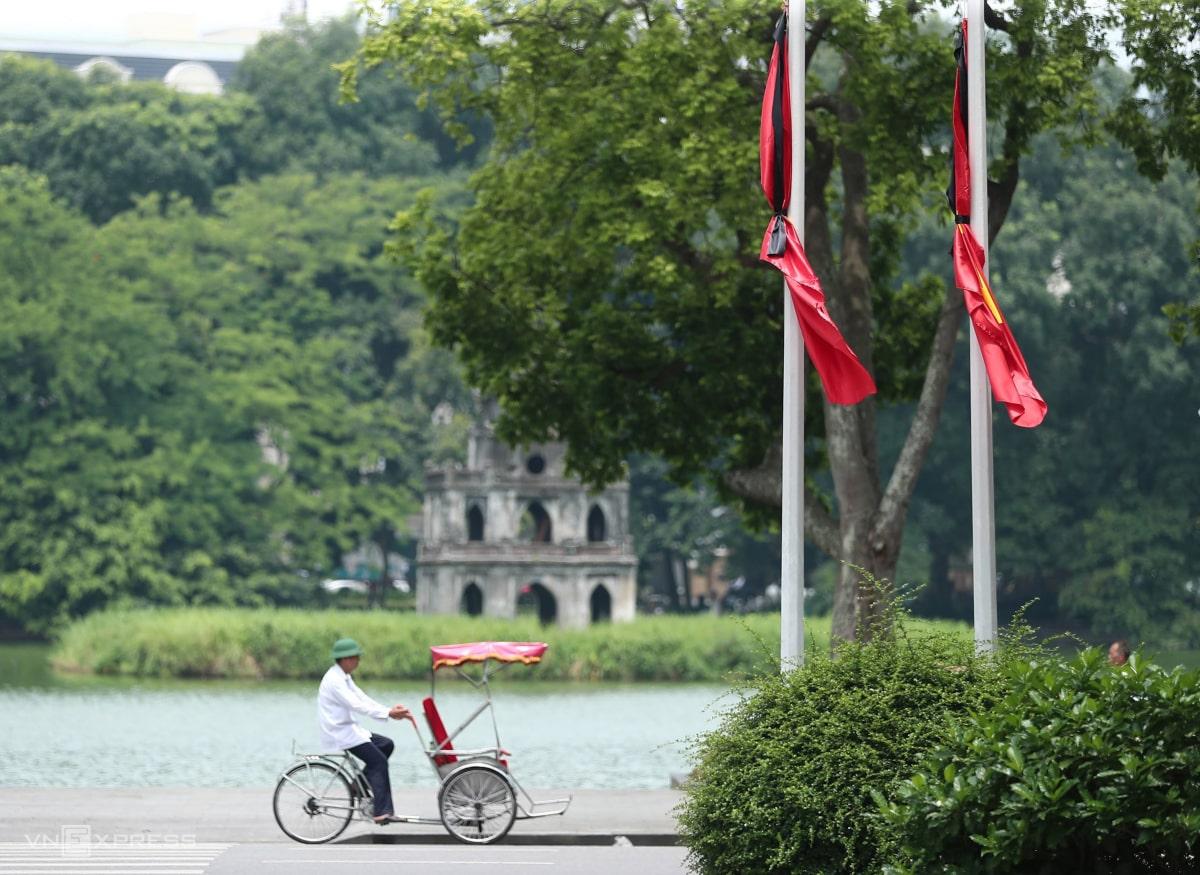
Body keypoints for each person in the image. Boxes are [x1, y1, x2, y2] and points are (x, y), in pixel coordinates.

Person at [318, 637, 412, 825]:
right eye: (355, 657)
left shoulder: (344, 677)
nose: (358, 661)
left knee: (386, 744)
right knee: (379, 762)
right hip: (340, 732)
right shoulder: (335, 681)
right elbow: (356, 705)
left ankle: (357, 785)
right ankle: (381, 812)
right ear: (344, 659)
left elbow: (362, 698)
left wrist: (388, 710)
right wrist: (388, 713)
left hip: (349, 728)